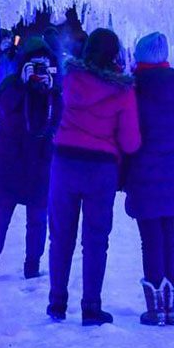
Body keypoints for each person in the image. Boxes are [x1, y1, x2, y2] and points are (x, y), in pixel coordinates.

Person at [47, 28, 141, 326]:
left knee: (61, 235)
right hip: (100, 168)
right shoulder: (122, 91)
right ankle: (91, 306)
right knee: (96, 238)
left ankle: (56, 301)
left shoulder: (71, 79)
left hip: (64, 161)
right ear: (114, 55)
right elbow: (130, 142)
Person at [0, 36, 61, 282]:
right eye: (34, 62)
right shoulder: (10, 86)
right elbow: (4, 109)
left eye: (43, 62)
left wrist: (49, 90)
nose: (39, 67)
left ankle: (32, 267)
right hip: (9, 166)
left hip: (40, 164)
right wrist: (22, 86)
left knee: (37, 220)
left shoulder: (54, 90)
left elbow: (58, 119)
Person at [122, 32, 174, 326]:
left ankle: (156, 309)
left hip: (144, 173)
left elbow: (130, 135)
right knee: (170, 241)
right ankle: (172, 308)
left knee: (150, 242)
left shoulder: (135, 90)